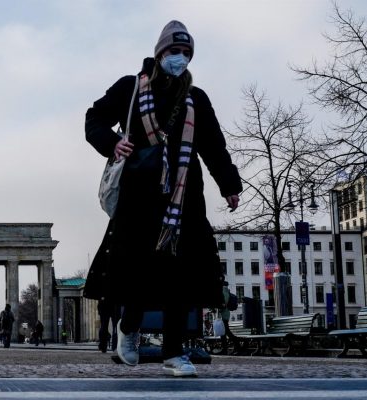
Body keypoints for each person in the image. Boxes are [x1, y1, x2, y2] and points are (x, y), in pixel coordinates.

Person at [84, 20, 241, 377]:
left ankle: (174, 352)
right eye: (174, 51)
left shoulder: (196, 99)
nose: (180, 58)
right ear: (159, 54)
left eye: (186, 53)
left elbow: (214, 146)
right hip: (139, 195)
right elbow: (94, 119)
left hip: (184, 198)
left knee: (180, 274)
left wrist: (229, 183)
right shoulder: (130, 89)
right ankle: (130, 326)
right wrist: (111, 143)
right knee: (137, 269)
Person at [220, 281, 240, 354]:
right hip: (224, 314)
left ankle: (237, 345)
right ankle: (225, 349)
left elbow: (223, 304)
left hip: (224, 315)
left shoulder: (223, 291)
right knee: (223, 333)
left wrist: (218, 308)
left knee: (226, 332)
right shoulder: (225, 291)